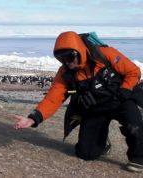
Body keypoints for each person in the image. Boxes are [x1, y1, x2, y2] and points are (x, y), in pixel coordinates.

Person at [12, 31, 143, 172]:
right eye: (62, 59)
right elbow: (53, 97)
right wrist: (33, 118)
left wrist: (125, 91)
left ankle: (138, 158)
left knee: (134, 126)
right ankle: (102, 142)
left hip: (120, 100)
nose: (67, 62)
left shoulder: (105, 54)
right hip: (95, 108)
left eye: (69, 57)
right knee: (85, 154)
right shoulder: (65, 73)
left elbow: (133, 71)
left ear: (79, 51)